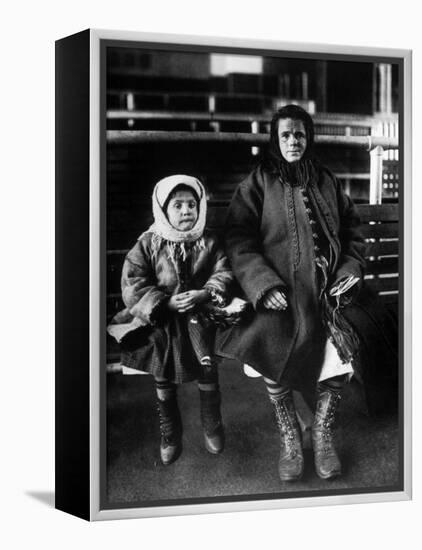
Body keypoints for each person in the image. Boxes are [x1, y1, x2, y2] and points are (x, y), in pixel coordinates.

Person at [217, 104, 367, 481]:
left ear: (309, 137)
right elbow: (238, 239)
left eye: (300, 134)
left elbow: (353, 232)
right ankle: (290, 435)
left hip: (330, 292)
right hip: (281, 291)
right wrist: (262, 285)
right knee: (270, 340)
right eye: (285, 135)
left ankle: (321, 432)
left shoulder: (327, 179)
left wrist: (350, 269)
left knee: (344, 347)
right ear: (275, 138)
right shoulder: (257, 183)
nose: (293, 141)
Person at [109, 175, 233, 465]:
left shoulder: (210, 240)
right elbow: (133, 281)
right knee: (162, 370)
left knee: (207, 367)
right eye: (177, 205)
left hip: (200, 315)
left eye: (192, 204)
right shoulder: (148, 243)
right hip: (162, 319)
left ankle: (211, 422)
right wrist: (163, 302)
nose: (186, 211)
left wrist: (206, 292)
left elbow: (224, 270)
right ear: (163, 210)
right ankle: (170, 431)